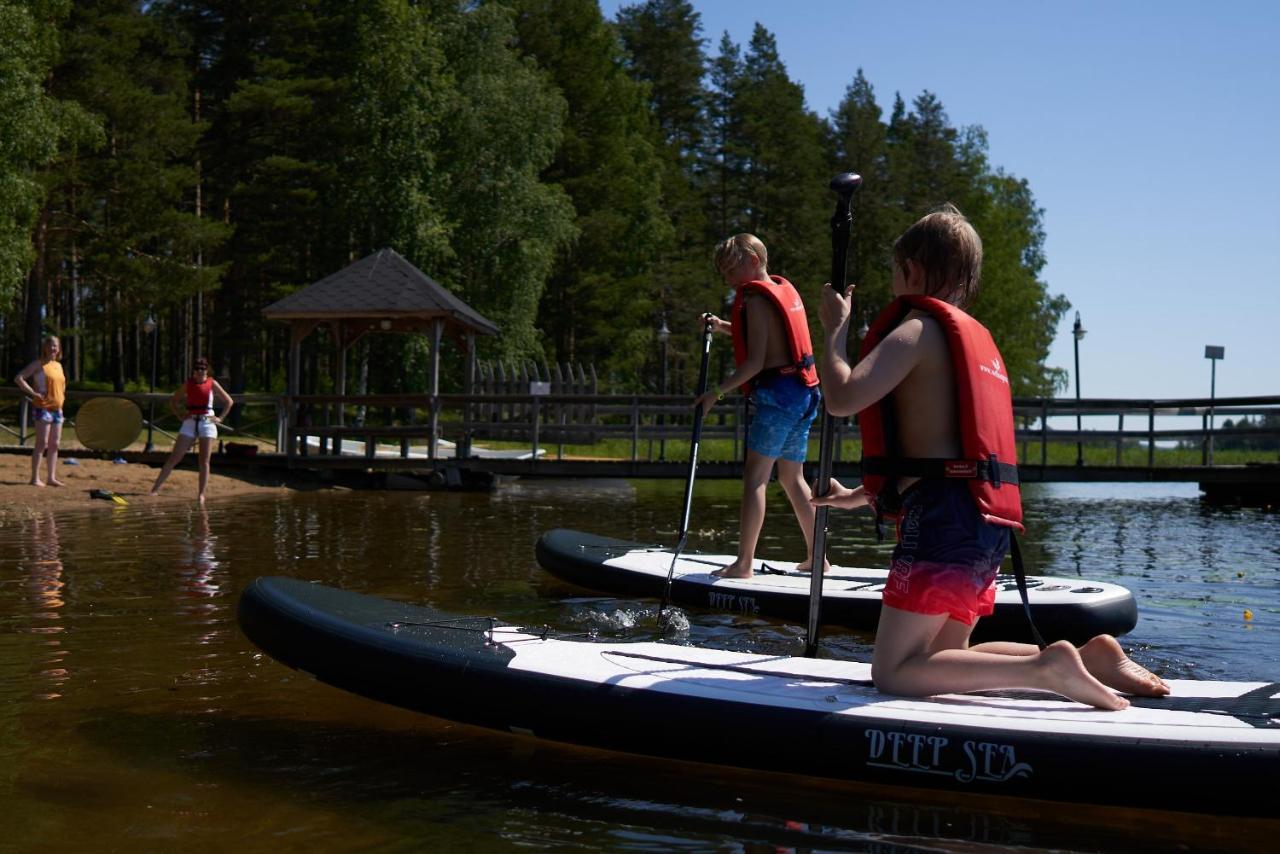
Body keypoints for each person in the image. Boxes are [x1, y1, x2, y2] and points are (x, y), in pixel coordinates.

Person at [812, 204, 1169, 710]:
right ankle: (1091, 659)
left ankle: (1046, 668)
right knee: (946, 653)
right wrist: (856, 496)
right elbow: (941, 450)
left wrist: (833, 332)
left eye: (896, 271)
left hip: (941, 519)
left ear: (912, 270)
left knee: (893, 671)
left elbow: (842, 398)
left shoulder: (916, 331)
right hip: (983, 521)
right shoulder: (975, 340)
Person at [693, 233, 825, 579]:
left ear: (752, 260)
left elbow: (754, 364)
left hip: (779, 395)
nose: (727, 278)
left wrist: (714, 394)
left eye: (730, 269)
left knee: (755, 478)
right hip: (805, 391)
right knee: (792, 477)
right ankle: (818, 556)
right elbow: (772, 344)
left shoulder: (756, 300)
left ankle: (743, 563)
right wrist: (722, 326)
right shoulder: (779, 289)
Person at [150, 357, 234, 506]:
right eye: (197, 368)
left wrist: (220, 418)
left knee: (204, 461)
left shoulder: (212, 383)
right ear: (194, 371)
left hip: (207, 421)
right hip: (190, 420)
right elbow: (174, 400)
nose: (200, 371)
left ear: (206, 370)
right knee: (174, 457)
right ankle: (155, 489)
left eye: (203, 368)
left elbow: (229, 401)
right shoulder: (188, 384)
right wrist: (179, 415)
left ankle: (201, 494)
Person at [14, 336, 67, 487]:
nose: (53, 349)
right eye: (50, 345)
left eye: (55, 346)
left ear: (59, 348)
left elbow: (62, 385)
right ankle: (35, 477)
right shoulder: (38, 364)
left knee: (54, 444)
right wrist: (33, 393)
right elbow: (19, 378)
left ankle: (51, 477)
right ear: (45, 348)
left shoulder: (58, 365)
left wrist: (61, 398)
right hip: (42, 407)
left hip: (57, 409)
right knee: (41, 443)